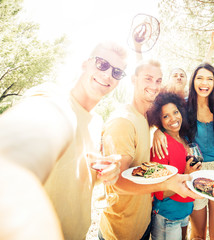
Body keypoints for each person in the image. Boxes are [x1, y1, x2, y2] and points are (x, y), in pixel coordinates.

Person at [0, 41, 125, 239]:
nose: (108, 74)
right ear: (85, 64)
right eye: (102, 64)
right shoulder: (54, 99)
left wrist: (108, 173)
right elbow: (15, 148)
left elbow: (76, 178)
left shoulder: (97, 122)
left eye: (117, 72)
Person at [99, 60, 200, 240]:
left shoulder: (146, 117)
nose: (154, 86)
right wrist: (167, 184)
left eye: (158, 80)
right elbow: (116, 183)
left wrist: (158, 130)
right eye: (148, 79)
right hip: (122, 230)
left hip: (143, 221)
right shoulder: (122, 122)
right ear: (134, 79)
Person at [152, 63, 214, 240]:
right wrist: (157, 131)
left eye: (209, 78)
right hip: (195, 170)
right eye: (200, 77)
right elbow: (163, 117)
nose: (204, 82)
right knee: (198, 235)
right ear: (193, 81)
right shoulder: (184, 106)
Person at [147, 91, 201, 240]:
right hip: (168, 217)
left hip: (185, 211)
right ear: (159, 120)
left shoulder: (184, 138)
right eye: (166, 116)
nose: (173, 118)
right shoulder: (161, 147)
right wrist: (186, 173)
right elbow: (160, 192)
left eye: (175, 112)